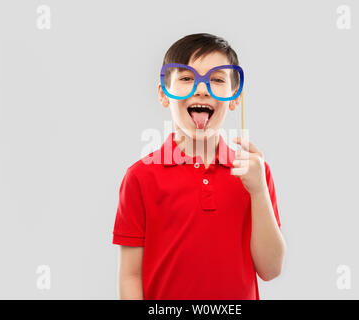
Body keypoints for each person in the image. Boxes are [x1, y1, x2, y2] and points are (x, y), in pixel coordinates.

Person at [112, 33, 286, 300]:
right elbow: (130, 274)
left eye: (217, 80)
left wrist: (259, 192)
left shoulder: (254, 172)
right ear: (164, 94)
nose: (202, 89)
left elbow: (271, 269)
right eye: (186, 78)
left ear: (235, 97)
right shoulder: (141, 176)